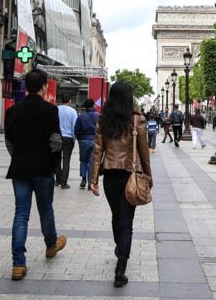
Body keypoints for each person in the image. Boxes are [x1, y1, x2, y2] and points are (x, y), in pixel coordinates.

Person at [4, 69, 66, 280]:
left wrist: (18, 157)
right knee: (45, 209)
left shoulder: (13, 111)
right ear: (44, 87)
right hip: (42, 168)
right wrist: (53, 164)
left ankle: (18, 263)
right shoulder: (50, 110)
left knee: (21, 214)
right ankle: (51, 245)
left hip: (20, 167)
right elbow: (56, 142)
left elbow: (9, 141)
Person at [90, 82, 152, 288]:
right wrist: (149, 176)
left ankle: (120, 247)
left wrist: (93, 179)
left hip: (110, 176)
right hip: (130, 175)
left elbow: (97, 151)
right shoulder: (137, 120)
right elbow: (144, 152)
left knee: (116, 216)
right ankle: (120, 269)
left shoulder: (104, 119)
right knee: (126, 221)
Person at [74, 98, 99, 190]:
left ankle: (83, 179)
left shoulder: (81, 116)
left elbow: (76, 130)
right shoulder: (98, 116)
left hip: (83, 140)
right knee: (91, 161)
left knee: (83, 160)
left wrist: (79, 139)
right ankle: (90, 182)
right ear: (93, 105)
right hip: (94, 140)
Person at [53, 94, 77, 189]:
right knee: (66, 160)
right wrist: (74, 138)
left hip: (57, 137)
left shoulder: (56, 109)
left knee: (57, 159)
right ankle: (64, 182)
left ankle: (57, 180)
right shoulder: (73, 111)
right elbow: (74, 126)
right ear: (69, 101)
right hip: (68, 138)